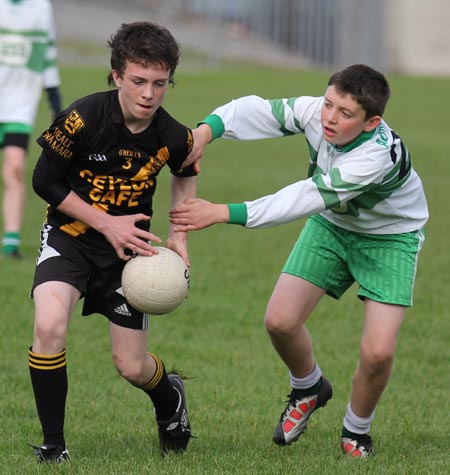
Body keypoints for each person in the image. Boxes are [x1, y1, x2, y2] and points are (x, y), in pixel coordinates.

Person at [170, 64, 428, 457]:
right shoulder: (316, 113)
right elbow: (254, 110)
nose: (330, 117)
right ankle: (309, 386)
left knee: (378, 354)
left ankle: (356, 430)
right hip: (332, 226)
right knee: (280, 321)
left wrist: (224, 211)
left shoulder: (375, 156)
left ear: (371, 121)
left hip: (390, 239)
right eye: (328, 104)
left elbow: (307, 197)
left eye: (345, 114)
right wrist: (204, 132)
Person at [28, 21, 197, 463]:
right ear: (117, 75)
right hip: (70, 237)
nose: (148, 93)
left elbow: (187, 169)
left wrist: (179, 233)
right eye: (138, 81)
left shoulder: (173, 136)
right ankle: (53, 447)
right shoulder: (84, 117)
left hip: (130, 255)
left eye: (159, 84)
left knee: (132, 367)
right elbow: (44, 180)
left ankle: (169, 397)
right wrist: (106, 223)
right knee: (48, 326)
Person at [0, 0, 62, 259]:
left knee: (14, 167)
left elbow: (47, 53)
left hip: (19, 105)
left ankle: (10, 240)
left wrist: (55, 101)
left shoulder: (40, 6)